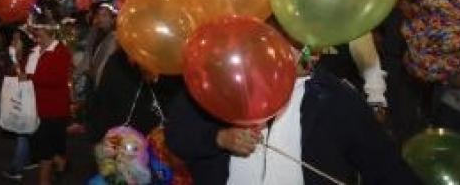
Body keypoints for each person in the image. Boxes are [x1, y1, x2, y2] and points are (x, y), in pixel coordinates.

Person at [165, 49, 422, 184]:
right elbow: (176, 136)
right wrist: (219, 138)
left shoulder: (334, 97)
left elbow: (385, 166)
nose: (302, 48)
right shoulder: (226, 80)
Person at [25, 9, 72, 185]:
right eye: (35, 31)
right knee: (41, 148)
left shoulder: (61, 52)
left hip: (53, 110)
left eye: (38, 31)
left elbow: (56, 79)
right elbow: (26, 72)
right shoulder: (34, 50)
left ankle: (45, 180)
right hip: (34, 108)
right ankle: (60, 162)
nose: (36, 34)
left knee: (44, 152)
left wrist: (29, 78)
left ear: (48, 31)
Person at [1, 27, 36, 181]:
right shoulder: (17, 56)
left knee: (22, 133)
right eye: (12, 39)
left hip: (28, 100)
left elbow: (25, 77)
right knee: (25, 133)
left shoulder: (30, 56)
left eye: (17, 39)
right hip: (19, 100)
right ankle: (28, 160)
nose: (13, 42)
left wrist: (16, 63)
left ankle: (16, 169)